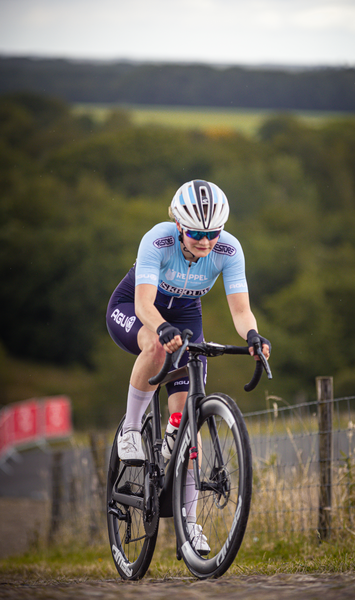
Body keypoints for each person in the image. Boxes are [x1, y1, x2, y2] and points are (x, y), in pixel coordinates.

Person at [106, 179, 271, 553]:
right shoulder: (158, 240)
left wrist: (253, 337)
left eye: (213, 233)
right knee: (156, 348)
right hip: (135, 309)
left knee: (188, 425)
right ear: (180, 226)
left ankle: (190, 526)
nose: (206, 241)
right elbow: (144, 306)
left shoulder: (229, 249)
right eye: (196, 232)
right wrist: (161, 328)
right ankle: (131, 428)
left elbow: (241, 310)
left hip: (185, 315)